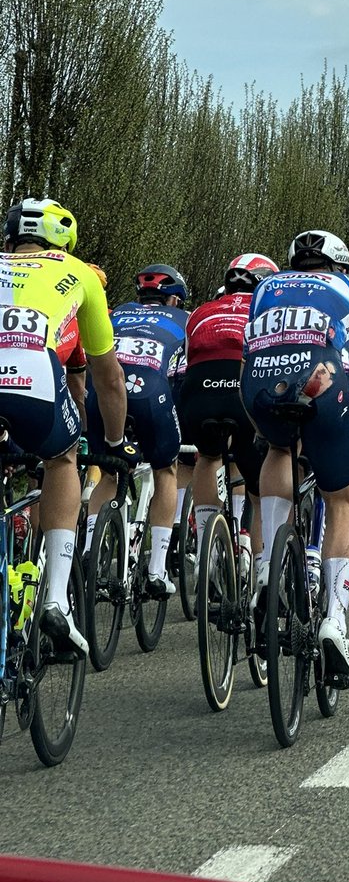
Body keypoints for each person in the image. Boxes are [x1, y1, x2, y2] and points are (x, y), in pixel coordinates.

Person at [240, 229, 349, 689]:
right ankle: (334, 624)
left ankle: (266, 573)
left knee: (279, 449)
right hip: (324, 383)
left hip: (258, 384)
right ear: (340, 265)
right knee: (342, 499)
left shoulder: (266, 287)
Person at [0, 198, 128, 653]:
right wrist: (113, 442)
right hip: (33, 377)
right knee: (63, 458)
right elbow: (108, 379)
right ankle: (56, 597)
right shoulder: (82, 275)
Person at [84, 263, 189, 596]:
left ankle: (89, 552)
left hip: (101, 395)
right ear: (174, 300)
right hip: (150, 393)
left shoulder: (116, 314)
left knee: (110, 470)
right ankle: (157, 569)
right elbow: (183, 377)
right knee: (165, 470)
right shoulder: (185, 321)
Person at [177, 253, 279, 579]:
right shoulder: (269, 311)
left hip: (198, 390)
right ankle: (262, 569)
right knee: (259, 485)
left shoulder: (201, 312)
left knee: (208, 456)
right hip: (242, 387)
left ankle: (207, 546)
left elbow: (189, 353)